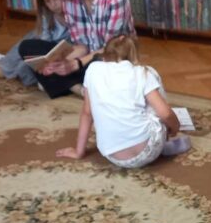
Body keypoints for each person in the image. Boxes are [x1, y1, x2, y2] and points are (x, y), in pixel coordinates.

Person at [56, 35, 190, 169]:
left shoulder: (92, 70)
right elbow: (165, 114)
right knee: (151, 76)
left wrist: (79, 152)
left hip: (113, 156)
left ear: (104, 55)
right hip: (147, 151)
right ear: (135, 57)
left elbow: (87, 113)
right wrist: (175, 128)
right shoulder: (142, 72)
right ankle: (165, 143)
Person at [21, 0, 135, 99]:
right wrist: (59, 62)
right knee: (27, 47)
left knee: (104, 69)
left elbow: (111, 51)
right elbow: (81, 46)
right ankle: (80, 89)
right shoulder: (70, 0)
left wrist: (76, 64)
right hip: (87, 62)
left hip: (111, 61)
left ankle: (66, 84)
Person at [0, 0, 69, 86]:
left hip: (60, 52)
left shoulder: (74, 10)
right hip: (41, 44)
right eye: (48, 1)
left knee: (24, 72)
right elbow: (43, 42)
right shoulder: (47, 13)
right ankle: (5, 59)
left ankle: (16, 63)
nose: (53, 5)